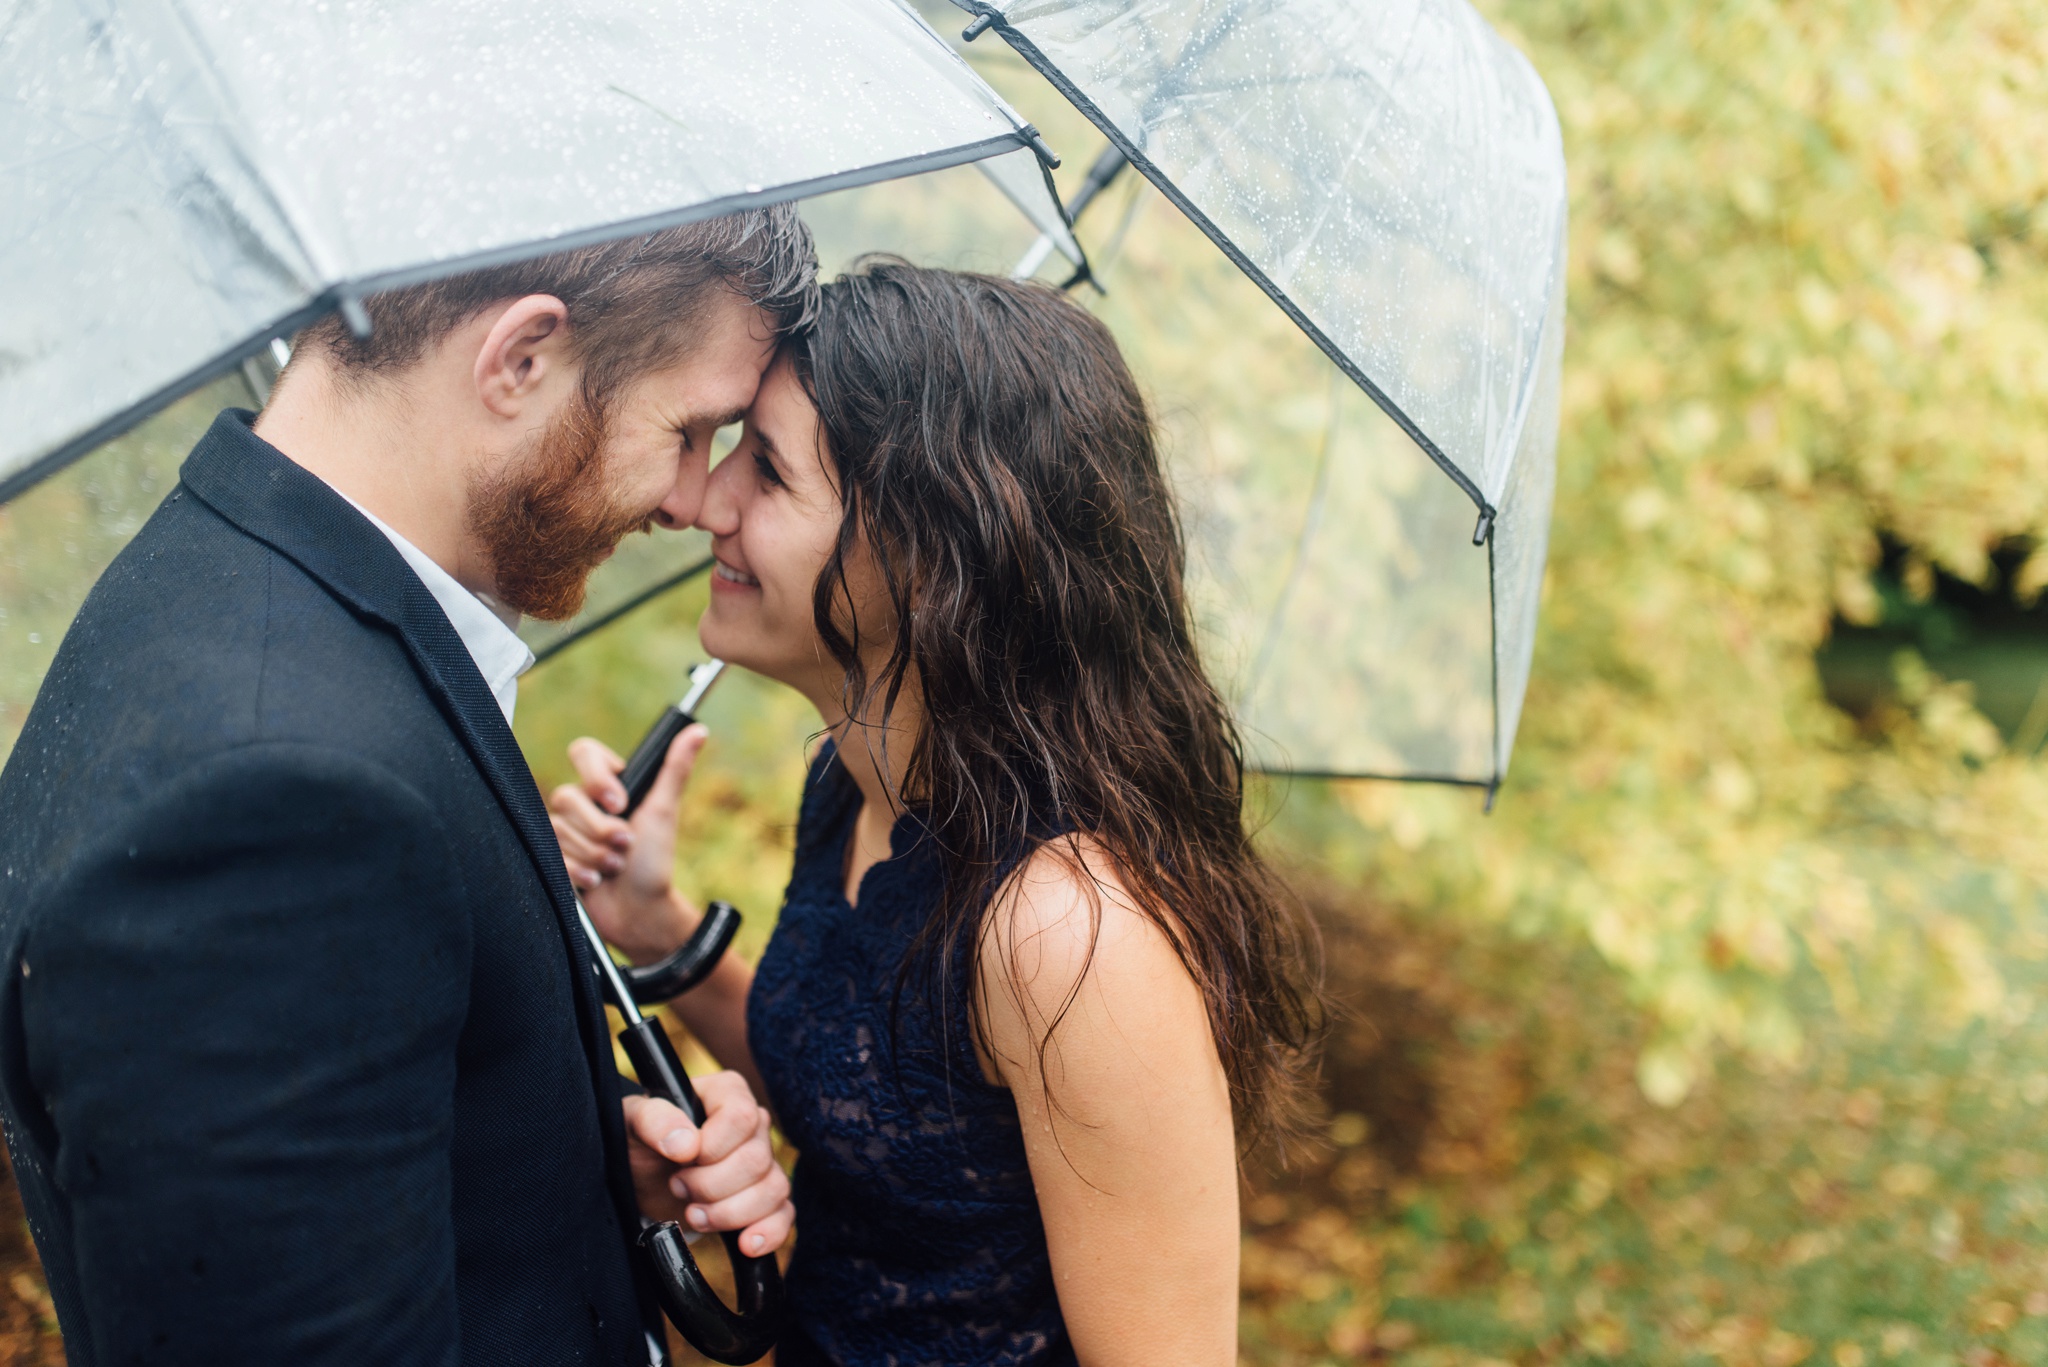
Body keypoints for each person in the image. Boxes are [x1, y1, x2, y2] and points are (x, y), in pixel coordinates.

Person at [0, 211, 813, 1365]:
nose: (691, 500)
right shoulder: (273, 802)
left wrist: (578, 1175)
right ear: (521, 358)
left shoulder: (233, 577)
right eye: (689, 429)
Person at [552, 261, 1322, 1366]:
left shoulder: (1067, 934)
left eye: (765, 469)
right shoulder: (852, 789)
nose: (701, 500)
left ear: (923, 553)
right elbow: (866, 1108)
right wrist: (658, 925)